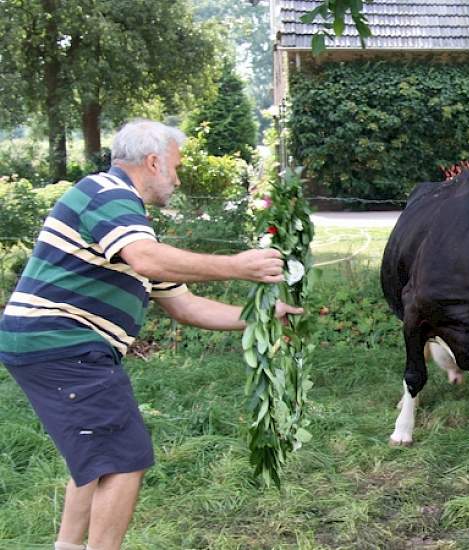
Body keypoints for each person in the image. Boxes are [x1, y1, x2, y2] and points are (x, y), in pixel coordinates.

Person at [0, 119, 303, 550]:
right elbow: (146, 260)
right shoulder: (107, 194)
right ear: (154, 161)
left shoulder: (129, 224)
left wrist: (264, 316)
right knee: (124, 459)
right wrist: (239, 265)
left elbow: (185, 305)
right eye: (175, 169)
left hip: (54, 345)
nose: (177, 180)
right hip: (62, 342)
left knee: (96, 455)